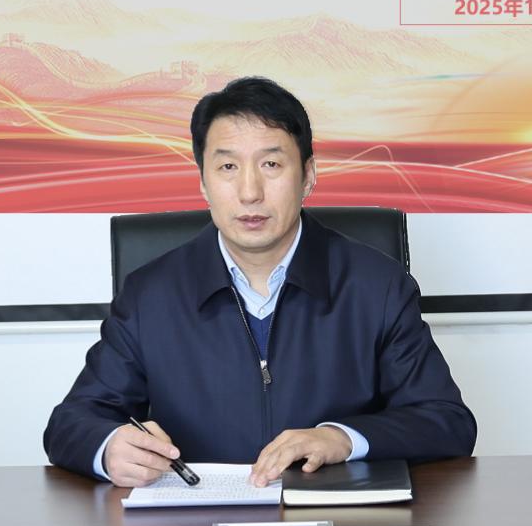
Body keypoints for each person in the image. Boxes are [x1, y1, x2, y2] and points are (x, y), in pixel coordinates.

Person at [44, 76, 476, 487]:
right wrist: (109, 448)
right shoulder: (149, 295)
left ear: (308, 175)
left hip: (335, 520)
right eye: (227, 166)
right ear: (203, 182)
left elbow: (447, 421)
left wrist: (342, 438)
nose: (249, 192)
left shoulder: (376, 285)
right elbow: (71, 423)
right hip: (197, 522)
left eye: (271, 164)